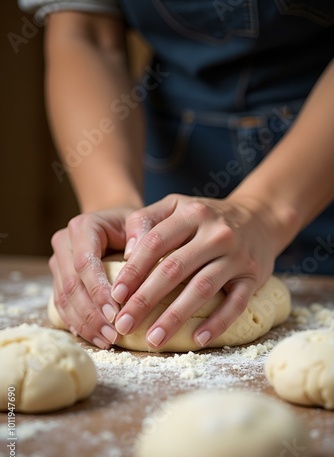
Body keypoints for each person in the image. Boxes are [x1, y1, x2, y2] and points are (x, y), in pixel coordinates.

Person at [19, 0, 334, 351]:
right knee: (160, 278)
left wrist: (265, 210)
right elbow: (87, 33)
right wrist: (113, 202)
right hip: (177, 154)